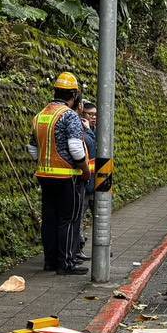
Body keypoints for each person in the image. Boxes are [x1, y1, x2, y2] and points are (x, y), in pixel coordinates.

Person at [30, 72, 91, 275]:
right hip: (67, 177)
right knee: (68, 219)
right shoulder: (69, 115)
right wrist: (84, 171)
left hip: (45, 176)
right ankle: (66, 263)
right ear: (74, 95)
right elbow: (75, 148)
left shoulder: (41, 115)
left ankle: (50, 262)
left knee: (50, 219)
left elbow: (32, 149)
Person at [71, 102, 97, 263]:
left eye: (95, 115)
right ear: (83, 115)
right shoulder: (83, 132)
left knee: (100, 216)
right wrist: (88, 130)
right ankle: (78, 248)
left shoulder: (96, 131)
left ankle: (102, 248)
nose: (93, 117)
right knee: (79, 218)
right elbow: (91, 145)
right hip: (86, 183)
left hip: (97, 183)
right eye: (89, 114)